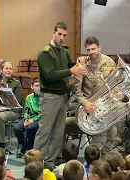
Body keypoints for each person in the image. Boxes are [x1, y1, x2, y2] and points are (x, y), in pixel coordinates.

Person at [33, 22, 86, 168]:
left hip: (63, 95)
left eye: (64, 35)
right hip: (50, 96)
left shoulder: (64, 51)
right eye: (59, 34)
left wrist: (79, 61)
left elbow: (70, 64)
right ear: (53, 33)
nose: (62, 38)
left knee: (58, 132)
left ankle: (50, 161)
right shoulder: (45, 53)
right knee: (45, 131)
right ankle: (35, 162)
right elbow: (49, 75)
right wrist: (71, 71)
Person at [73, 36, 116, 156]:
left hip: (107, 105)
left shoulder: (110, 62)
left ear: (99, 47)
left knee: (112, 135)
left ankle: (104, 160)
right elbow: (76, 90)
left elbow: (114, 84)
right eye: (88, 50)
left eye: (93, 49)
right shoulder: (82, 64)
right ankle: (94, 163)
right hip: (90, 107)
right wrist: (85, 102)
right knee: (99, 138)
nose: (91, 52)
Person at [13, 78, 40, 158]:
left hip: (39, 119)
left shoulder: (44, 98)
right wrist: (26, 119)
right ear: (32, 87)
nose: (38, 88)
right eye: (36, 86)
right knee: (16, 128)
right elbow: (26, 110)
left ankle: (30, 149)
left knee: (30, 128)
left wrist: (33, 120)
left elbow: (43, 113)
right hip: (29, 118)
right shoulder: (29, 97)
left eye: (40, 86)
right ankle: (24, 145)